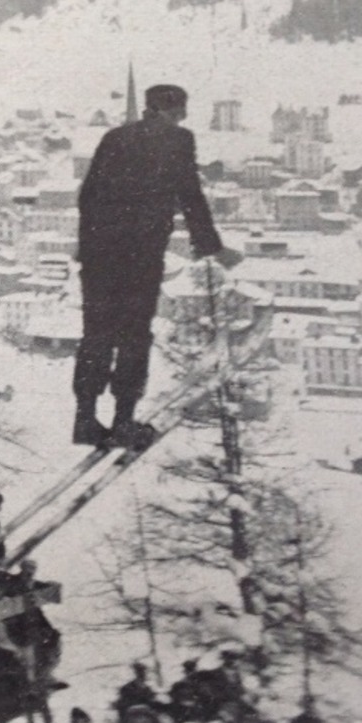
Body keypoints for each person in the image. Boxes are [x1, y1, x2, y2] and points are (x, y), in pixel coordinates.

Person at [73, 84, 240, 449]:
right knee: (133, 334)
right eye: (182, 109)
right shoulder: (177, 140)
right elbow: (190, 195)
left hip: (99, 254)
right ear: (174, 110)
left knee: (96, 334)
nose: (184, 116)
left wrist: (89, 245)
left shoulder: (114, 137)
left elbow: (87, 195)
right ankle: (122, 422)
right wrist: (212, 247)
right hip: (139, 254)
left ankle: (85, 419)